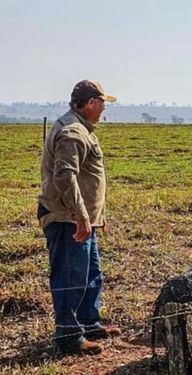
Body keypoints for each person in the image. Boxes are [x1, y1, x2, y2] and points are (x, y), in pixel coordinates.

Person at [38, 80, 120, 355]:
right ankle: (70, 337)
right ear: (90, 103)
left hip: (82, 218)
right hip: (67, 219)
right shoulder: (73, 132)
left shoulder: (81, 129)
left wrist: (93, 217)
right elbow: (65, 175)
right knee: (71, 277)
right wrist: (81, 216)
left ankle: (88, 322)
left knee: (90, 274)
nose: (104, 108)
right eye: (102, 102)